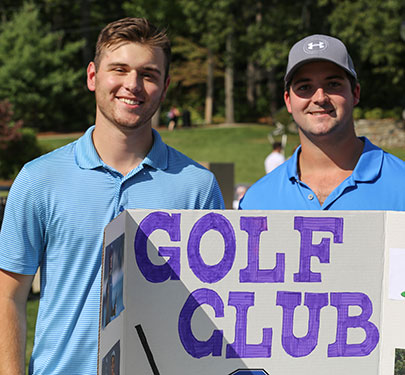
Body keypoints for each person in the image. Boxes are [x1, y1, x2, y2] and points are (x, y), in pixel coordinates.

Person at [0, 17, 224, 374]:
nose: (132, 85)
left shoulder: (197, 187)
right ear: (92, 76)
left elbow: (210, 308)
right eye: (119, 69)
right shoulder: (38, 179)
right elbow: (8, 298)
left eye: (148, 74)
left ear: (164, 87)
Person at [240, 34, 405, 210]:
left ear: (355, 93)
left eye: (333, 84)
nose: (320, 98)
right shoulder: (256, 201)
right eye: (304, 87)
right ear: (288, 101)